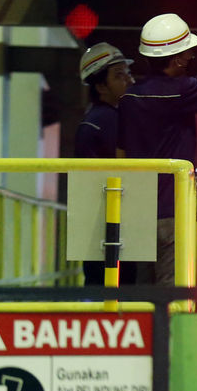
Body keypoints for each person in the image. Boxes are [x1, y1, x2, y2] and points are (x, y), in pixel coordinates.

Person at [117, 13, 197, 285]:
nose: (190, 58)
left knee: (140, 292)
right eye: (187, 53)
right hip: (171, 211)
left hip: (138, 211)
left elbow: (121, 155)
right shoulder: (179, 91)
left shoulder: (129, 98)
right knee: (169, 293)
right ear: (175, 59)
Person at [74, 42, 136, 285]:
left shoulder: (94, 120)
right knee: (117, 292)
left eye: (128, 73)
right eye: (119, 76)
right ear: (100, 86)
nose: (129, 81)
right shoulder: (108, 121)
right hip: (112, 229)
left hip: (99, 230)